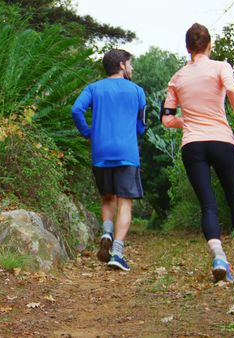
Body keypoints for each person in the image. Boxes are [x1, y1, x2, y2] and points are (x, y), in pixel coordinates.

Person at [161, 23, 234, 282]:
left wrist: (190, 122)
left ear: (188, 48)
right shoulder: (221, 67)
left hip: (193, 145)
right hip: (221, 140)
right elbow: (232, 91)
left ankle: (219, 257)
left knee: (207, 205)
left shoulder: (177, 78)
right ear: (209, 45)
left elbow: (166, 119)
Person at [71, 49, 146, 271]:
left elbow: (76, 109)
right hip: (126, 153)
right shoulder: (137, 91)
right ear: (122, 65)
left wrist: (88, 132)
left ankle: (106, 231)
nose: (131, 68)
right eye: (130, 64)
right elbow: (141, 125)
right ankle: (118, 252)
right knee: (125, 201)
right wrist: (133, 132)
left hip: (101, 152)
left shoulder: (93, 88)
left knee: (107, 198)